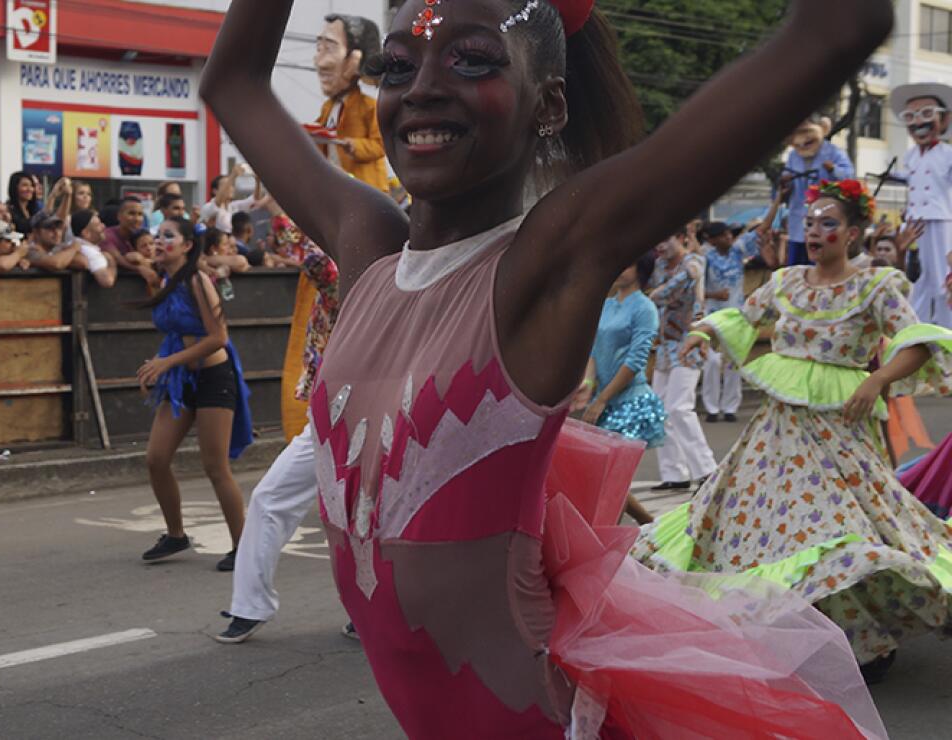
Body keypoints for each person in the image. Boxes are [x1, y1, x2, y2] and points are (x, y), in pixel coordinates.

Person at [202, 0, 892, 735]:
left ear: (550, 105)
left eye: (472, 60)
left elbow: (839, 27)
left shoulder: (543, 264)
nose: (425, 87)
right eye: (398, 67)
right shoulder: (367, 245)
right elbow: (234, 83)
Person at [637, 178, 952, 684]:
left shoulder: (875, 285)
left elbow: (918, 340)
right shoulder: (786, 281)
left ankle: (858, 638)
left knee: (839, 531)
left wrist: (879, 378)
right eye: (810, 222)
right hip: (776, 431)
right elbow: (742, 319)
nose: (815, 230)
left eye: (829, 223)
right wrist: (700, 332)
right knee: (758, 528)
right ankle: (779, 632)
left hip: (840, 431)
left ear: (852, 235)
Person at [218, 229, 341, 644]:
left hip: (367, 413)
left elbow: (308, 256)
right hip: (328, 413)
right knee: (270, 498)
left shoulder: (362, 275)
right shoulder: (361, 267)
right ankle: (248, 607)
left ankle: (374, 614)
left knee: (364, 522)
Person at [136, 218, 251, 572]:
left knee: (215, 467)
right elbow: (178, 332)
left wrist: (167, 361)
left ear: (187, 246)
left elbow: (218, 337)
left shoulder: (198, 280)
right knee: (156, 458)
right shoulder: (166, 281)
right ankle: (175, 534)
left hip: (214, 378)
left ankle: (243, 547)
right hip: (181, 379)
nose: (159, 241)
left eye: (168, 236)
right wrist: (158, 363)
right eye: (157, 235)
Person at [578, 253, 664, 525]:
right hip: (602, 399)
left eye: (627, 264)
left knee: (610, 479)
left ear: (641, 270)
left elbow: (637, 359)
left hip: (631, 403)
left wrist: (602, 399)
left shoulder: (644, 308)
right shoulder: (606, 305)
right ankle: (648, 527)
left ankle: (609, 541)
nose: (619, 269)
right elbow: (593, 349)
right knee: (605, 479)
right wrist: (589, 384)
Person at [647, 232, 717, 490]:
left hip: (690, 342)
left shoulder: (694, 263)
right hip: (666, 346)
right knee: (659, 409)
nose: (661, 246)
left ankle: (707, 469)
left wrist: (657, 293)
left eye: (666, 239)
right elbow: (661, 296)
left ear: (682, 238)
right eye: (658, 242)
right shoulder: (660, 265)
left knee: (679, 407)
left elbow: (663, 295)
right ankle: (674, 473)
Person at [891, 82, 952, 328]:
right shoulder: (910, 156)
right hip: (915, 225)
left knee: (943, 280)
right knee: (918, 282)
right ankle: (917, 333)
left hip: (942, 222)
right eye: (911, 117)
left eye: (927, 114)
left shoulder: (948, 154)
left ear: (945, 119)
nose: (918, 122)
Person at [313, 13, 389, 193]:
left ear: (355, 59)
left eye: (329, 48)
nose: (318, 62)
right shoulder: (328, 107)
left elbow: (380, 145)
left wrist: (353, 145)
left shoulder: (369, 106)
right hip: (334, 187)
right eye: (318, 48)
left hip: (366, 189)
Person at [700, 221, 763, 423]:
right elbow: (695, 287)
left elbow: (762, 230)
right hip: (712, 316)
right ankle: (711, 407)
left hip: (736, 315)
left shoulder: (737, 251)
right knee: (712, 360)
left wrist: (778, 199)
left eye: (729, 234)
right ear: (711, 239)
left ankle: (730, 407)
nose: (728, 237)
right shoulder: (704, 257)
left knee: (733, 361)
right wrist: (713, 294)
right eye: (722, 235)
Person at [782, 116, 854, 266]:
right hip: (798, 219)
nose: (803, 140)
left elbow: (849, 176)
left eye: (807, 132)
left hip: (824, 217)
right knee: (796, 267)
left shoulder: (834, 152)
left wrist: (833, 169)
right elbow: (784, 185)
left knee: (821, 262)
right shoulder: (793, 156)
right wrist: (785, 182)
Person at [200, 165, 263, 234]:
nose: (230, 188)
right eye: (226, 185)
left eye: (231, 185)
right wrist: (233, 176)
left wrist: (258, 180)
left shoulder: (233, 206)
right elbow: (217, 203)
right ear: (215, 191)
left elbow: (256, 199)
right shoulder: (208, 207)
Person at [70, 209, 118, 288]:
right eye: (98, 225)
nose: (104, 226)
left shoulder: (73, 245)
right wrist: (111, 261)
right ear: (86, 233)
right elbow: (107, 281)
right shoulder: (90, 252)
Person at [102, 197, 152, 270]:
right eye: (131, 213)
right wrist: (141, 269)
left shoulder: (143, 236)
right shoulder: (107, 235)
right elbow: (121, 261)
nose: (137, 219)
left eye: (140, 214)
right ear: (119, 216)